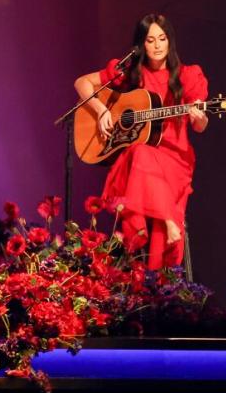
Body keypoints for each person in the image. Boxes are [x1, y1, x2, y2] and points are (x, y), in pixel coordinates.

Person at [74, 14, 208, 270]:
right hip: (137, 161)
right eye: (150, 40)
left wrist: (199, 116)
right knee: (141, 151)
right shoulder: (130, 72)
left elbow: (199, 126)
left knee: (142, 153)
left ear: (170, 41)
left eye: (162, 38)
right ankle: (168, 221)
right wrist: (102, 110)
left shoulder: (188, 76)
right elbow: (82, 83)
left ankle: (158, 247)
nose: (158, 45)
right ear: (141, 44)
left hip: (174, 160)